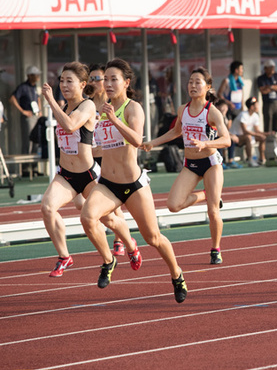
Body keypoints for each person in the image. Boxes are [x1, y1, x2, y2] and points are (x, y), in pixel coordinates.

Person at [79, 57, 187, 303]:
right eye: (105, 79)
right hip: (108, 184)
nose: (107, 83)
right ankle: (109, 259)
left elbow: (137, 141)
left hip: (134, 184)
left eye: (113, 79)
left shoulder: (132, 108)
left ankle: (176, 274)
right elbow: (102, 148)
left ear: (126, 82)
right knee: (87, 216)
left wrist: (114, 120)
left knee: (153, 238)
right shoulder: (99, 109)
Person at [40, 62, 141, 278]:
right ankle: (64, 256)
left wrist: (50, 101)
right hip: (65, 174)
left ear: (82, 84)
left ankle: (131, 245)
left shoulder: (86, 107)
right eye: (61, 81)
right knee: (47, 207)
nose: (64, 85)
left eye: (69, 81)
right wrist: (55, 104)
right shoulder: (63, 106)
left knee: (110, 219)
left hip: (88, 175)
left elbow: (69, 126)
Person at [142, 67, 231, 265]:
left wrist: (206, 144)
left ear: (208, 87)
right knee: (173, 205)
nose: (192, 85)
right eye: (190, 82)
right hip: (190, 164)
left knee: (213, 211)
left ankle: (215, 249)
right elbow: (175, 132)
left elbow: (226, 140)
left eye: (197, 82)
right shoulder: (183, 109)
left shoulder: (212, 112)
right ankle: (206, 195)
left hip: (210, 164)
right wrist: (152, 143)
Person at [88, 63, 137, 257]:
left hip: (113, 160)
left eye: (99, 78)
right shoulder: (87, 104)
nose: (97, 83)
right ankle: (120, 239)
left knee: (115, 205)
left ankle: (119, 240)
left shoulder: (115, 104)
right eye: (92, 79)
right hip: (91, 160)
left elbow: (133, 137)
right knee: (85, 205)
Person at [9, 65, 42, 154]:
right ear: (30, 75)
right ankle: (26, 166)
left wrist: (40, 110)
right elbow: (12, 98)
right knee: (28, 140)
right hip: (28, 117)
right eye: (36, 75)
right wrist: (23, 111)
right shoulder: (23, 87)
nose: (38, 77)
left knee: (36, 139)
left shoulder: (34, 87)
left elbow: (38, 98)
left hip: (36, 116)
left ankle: (34, 166)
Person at [229, 97, 270, 167]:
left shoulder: (255, 116)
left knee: (262, 138)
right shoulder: (243, 115)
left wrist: (267, 134)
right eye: (256, 105)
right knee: (248, 137)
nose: (258, 106)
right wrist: (256, 134)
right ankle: (250, 159)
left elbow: (257, 130)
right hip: (236, 136)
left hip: (247, 136)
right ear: (251, 107)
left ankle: (262, 159)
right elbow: (245, 131)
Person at [214, 98, 242, 168]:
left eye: (226, 107)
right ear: (217, 107)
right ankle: (219, 162)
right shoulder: (214, 115)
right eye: (222, 106)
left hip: (221, 134)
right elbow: (216, 131)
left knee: (231, 140)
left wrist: (232, 135)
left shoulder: (227, 117)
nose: (224, 108)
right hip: (214, 135)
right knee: (219, 140)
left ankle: (230, 161)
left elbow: (226, 130)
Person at [257, 60, 277, 133]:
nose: (272, 69)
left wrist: (270, 87)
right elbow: (263, 91)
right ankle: (268, 141)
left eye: (273, 68)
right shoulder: (261, 78)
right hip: (267, 103)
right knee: (268, 123)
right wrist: (274, 87)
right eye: (270, 68)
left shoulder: (275, 77)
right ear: (265, 68)